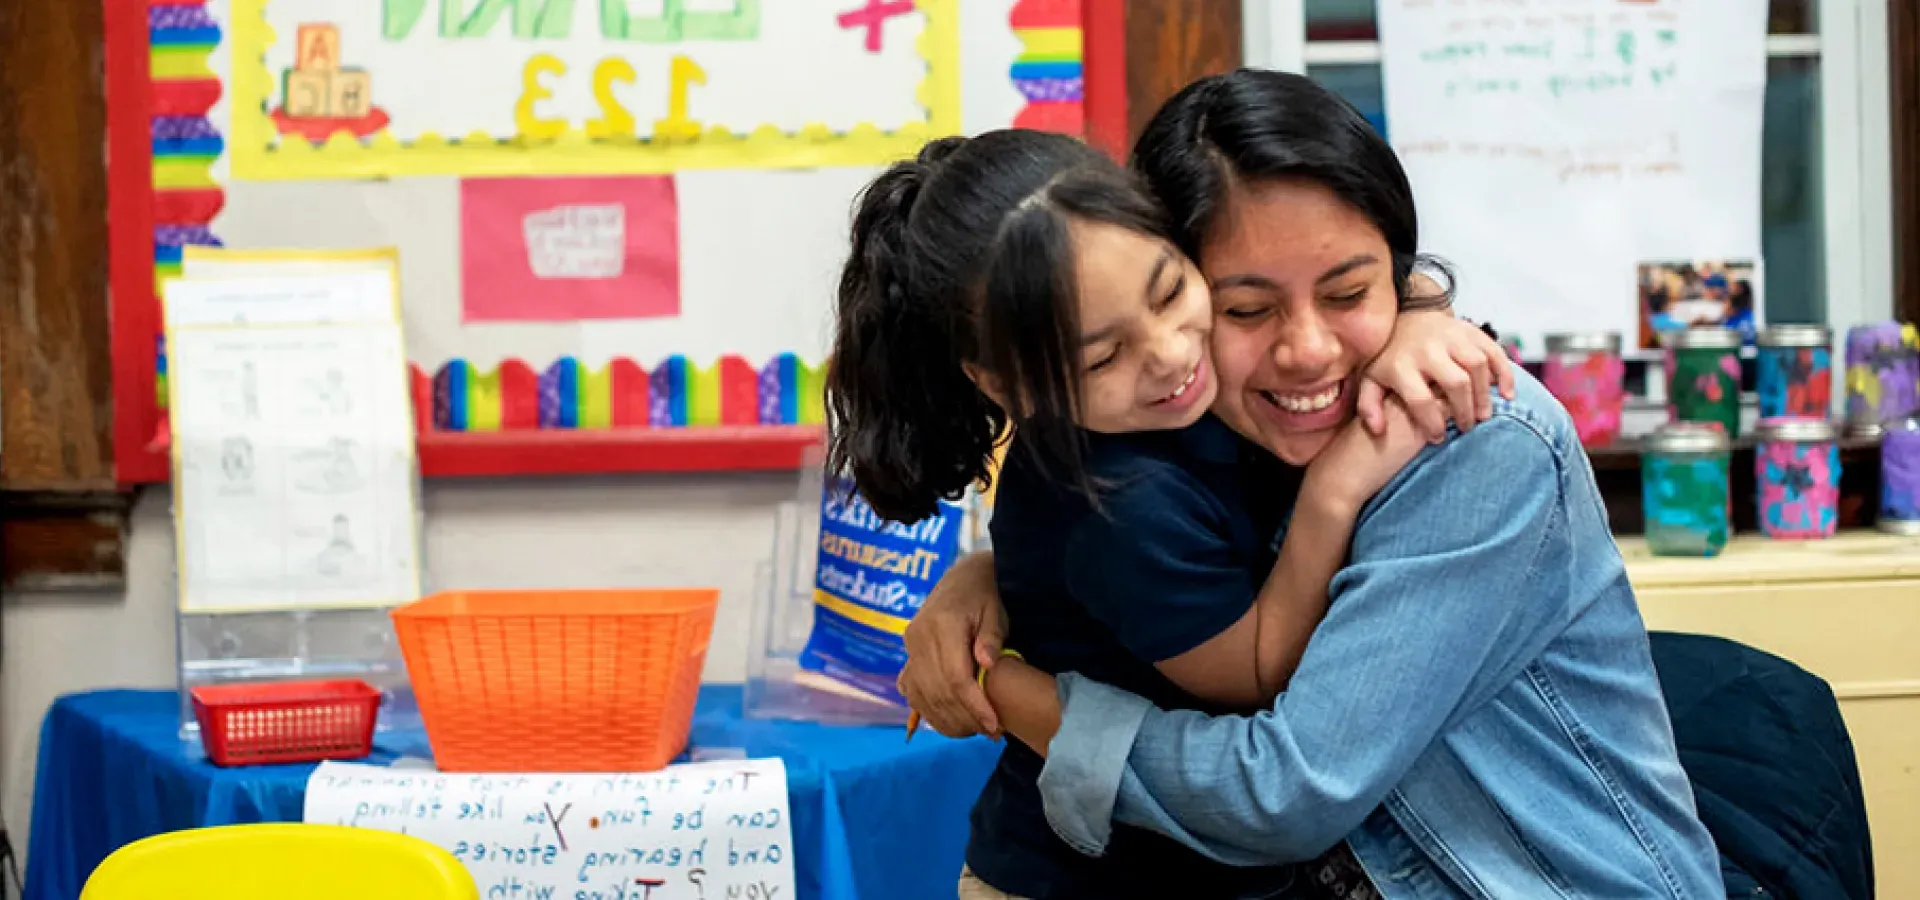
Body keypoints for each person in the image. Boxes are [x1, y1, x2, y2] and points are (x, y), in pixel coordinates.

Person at [900, 70, 1724, 899]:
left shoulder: (1468, 441)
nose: (1308, 351)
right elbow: (1100, 538)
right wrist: (992, 582)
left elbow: (1284, 794)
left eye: (1349, 292)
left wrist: (1005, 685)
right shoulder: (1192, 426)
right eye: (1248, 310)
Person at [825, 128, 1510, 898]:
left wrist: (1419, 310)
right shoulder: (1120, 503)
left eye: (1172, 291)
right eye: (1101, 358)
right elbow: (1255, 677)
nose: (1171, 354)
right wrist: (1334, 494)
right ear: (1003, 386)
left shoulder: (1183, 406)